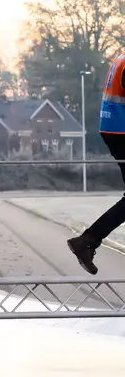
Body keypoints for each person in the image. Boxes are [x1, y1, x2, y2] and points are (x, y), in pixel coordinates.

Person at [68, 53, 125, 275]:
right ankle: (88, 240)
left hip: (115, 130)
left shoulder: (121, 58)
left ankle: (89, 240)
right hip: (121, 130)